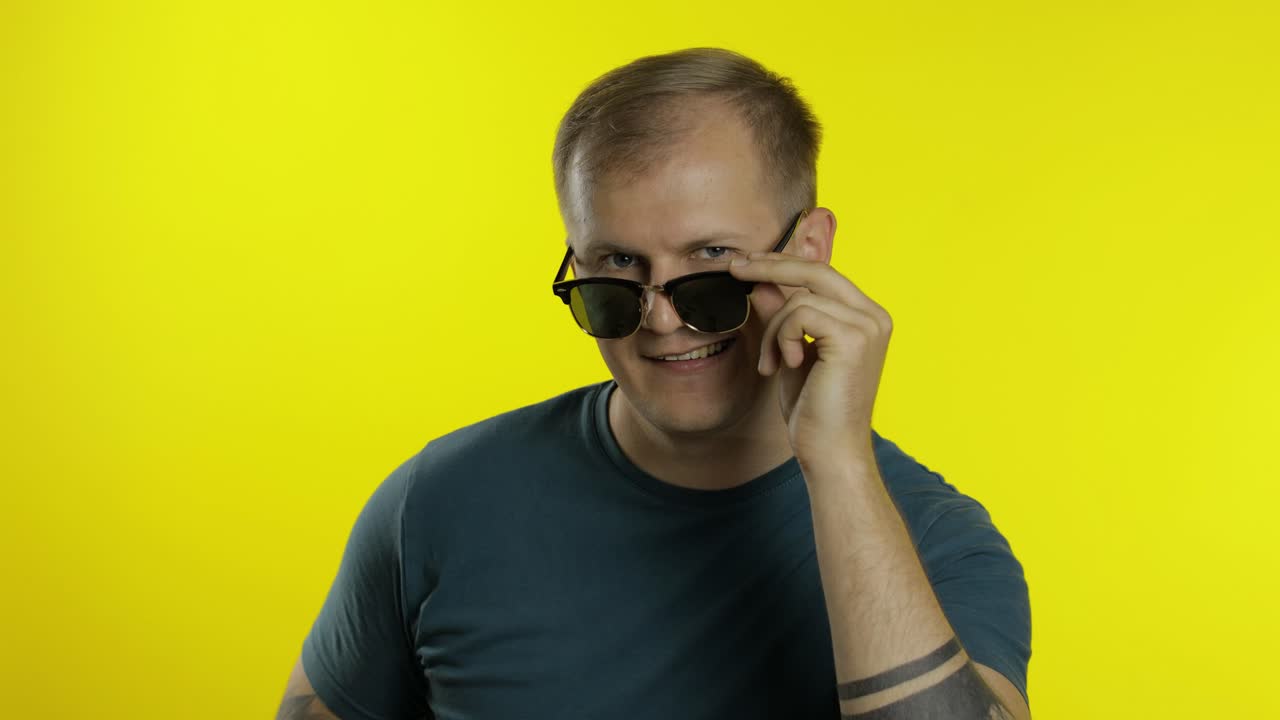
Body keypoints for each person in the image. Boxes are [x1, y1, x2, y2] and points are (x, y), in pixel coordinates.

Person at [276, 47, 1031, 720]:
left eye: (710, 258)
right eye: (617, 269)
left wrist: (836, 462)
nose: (663, 321)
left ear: (808, 250)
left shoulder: (939, 547)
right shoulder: (437, 504)